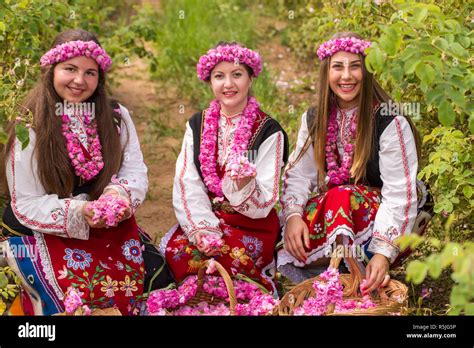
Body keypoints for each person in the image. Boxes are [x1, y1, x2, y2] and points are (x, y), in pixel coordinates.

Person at [0, 29, 173, 315]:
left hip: (104, 224)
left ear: (100, 77)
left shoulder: (116, 116)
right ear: (52, 69)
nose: (80, 81)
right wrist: (81, 213)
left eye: (90, 72)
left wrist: (117, 195)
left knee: (153, 273)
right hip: (42, 225)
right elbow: (27, 202)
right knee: (57, 293)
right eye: (70, 69)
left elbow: (134, 169)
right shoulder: (29, 125)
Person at [278, 32, 421, 294]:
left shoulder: (388, 120)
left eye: (355, 66)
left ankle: (361, 274)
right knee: (288, 229)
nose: (346, 76)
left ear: (367, 71)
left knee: (342, 196)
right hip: (339, 210)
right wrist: (293, 217)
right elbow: (298, 176)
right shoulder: (314, 118)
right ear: (326, 72)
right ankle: (335, 277)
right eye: (338, 67)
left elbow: (401, 193)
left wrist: (383, 252)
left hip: (387, 219)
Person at [159, 42, 289, 294]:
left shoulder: (269, 131)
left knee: (232, 259)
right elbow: (187, 180)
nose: (228, 84)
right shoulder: (197, 123)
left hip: (251, 223)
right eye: (219, 76)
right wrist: (203, 230)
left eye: (237, 74)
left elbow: (265, 201)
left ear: (251, 78)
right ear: (210, 81)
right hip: (205, 215)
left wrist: (242, 185)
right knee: (184, 254)